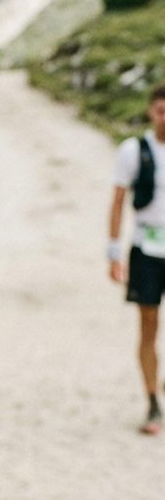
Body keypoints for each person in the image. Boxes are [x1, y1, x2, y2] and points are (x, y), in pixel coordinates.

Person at [108, 84, 165, 435]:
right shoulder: (134, 151)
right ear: (150, 112)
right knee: (148, 327)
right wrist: (113, 252)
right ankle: (152, 402)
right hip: (146, 249)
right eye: (160, 110)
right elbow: (117, 200)